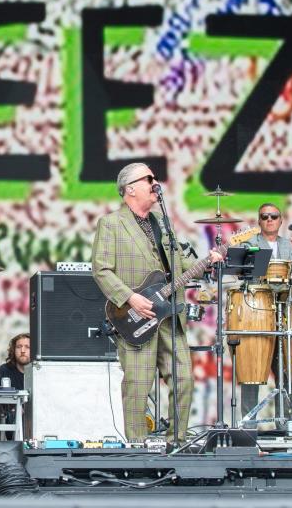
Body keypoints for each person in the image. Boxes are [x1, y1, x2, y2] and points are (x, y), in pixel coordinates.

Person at [92, 162, 221, 442]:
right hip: (135, 314)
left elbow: (178, 263)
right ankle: (137, 447)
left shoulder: (162, 223)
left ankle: (178, 440)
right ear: (130, 189)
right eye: (148, 178)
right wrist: (130, 297)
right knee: (138, 384)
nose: (155, 183)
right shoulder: (112, 224)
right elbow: (101, 268)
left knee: (184, 378)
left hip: (168, 314)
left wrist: (207, 262)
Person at [239, 202, 292, 418]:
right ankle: (248, 427)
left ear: (281, 220)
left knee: (284, 368)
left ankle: (284, 423)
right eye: (265, 216)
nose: (269, 220)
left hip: (284, 311)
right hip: (257, 311)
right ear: (259, 221)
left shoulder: (290, 246)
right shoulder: (248, 243)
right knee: (253, 369)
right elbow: (241, 273)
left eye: (274, 216)